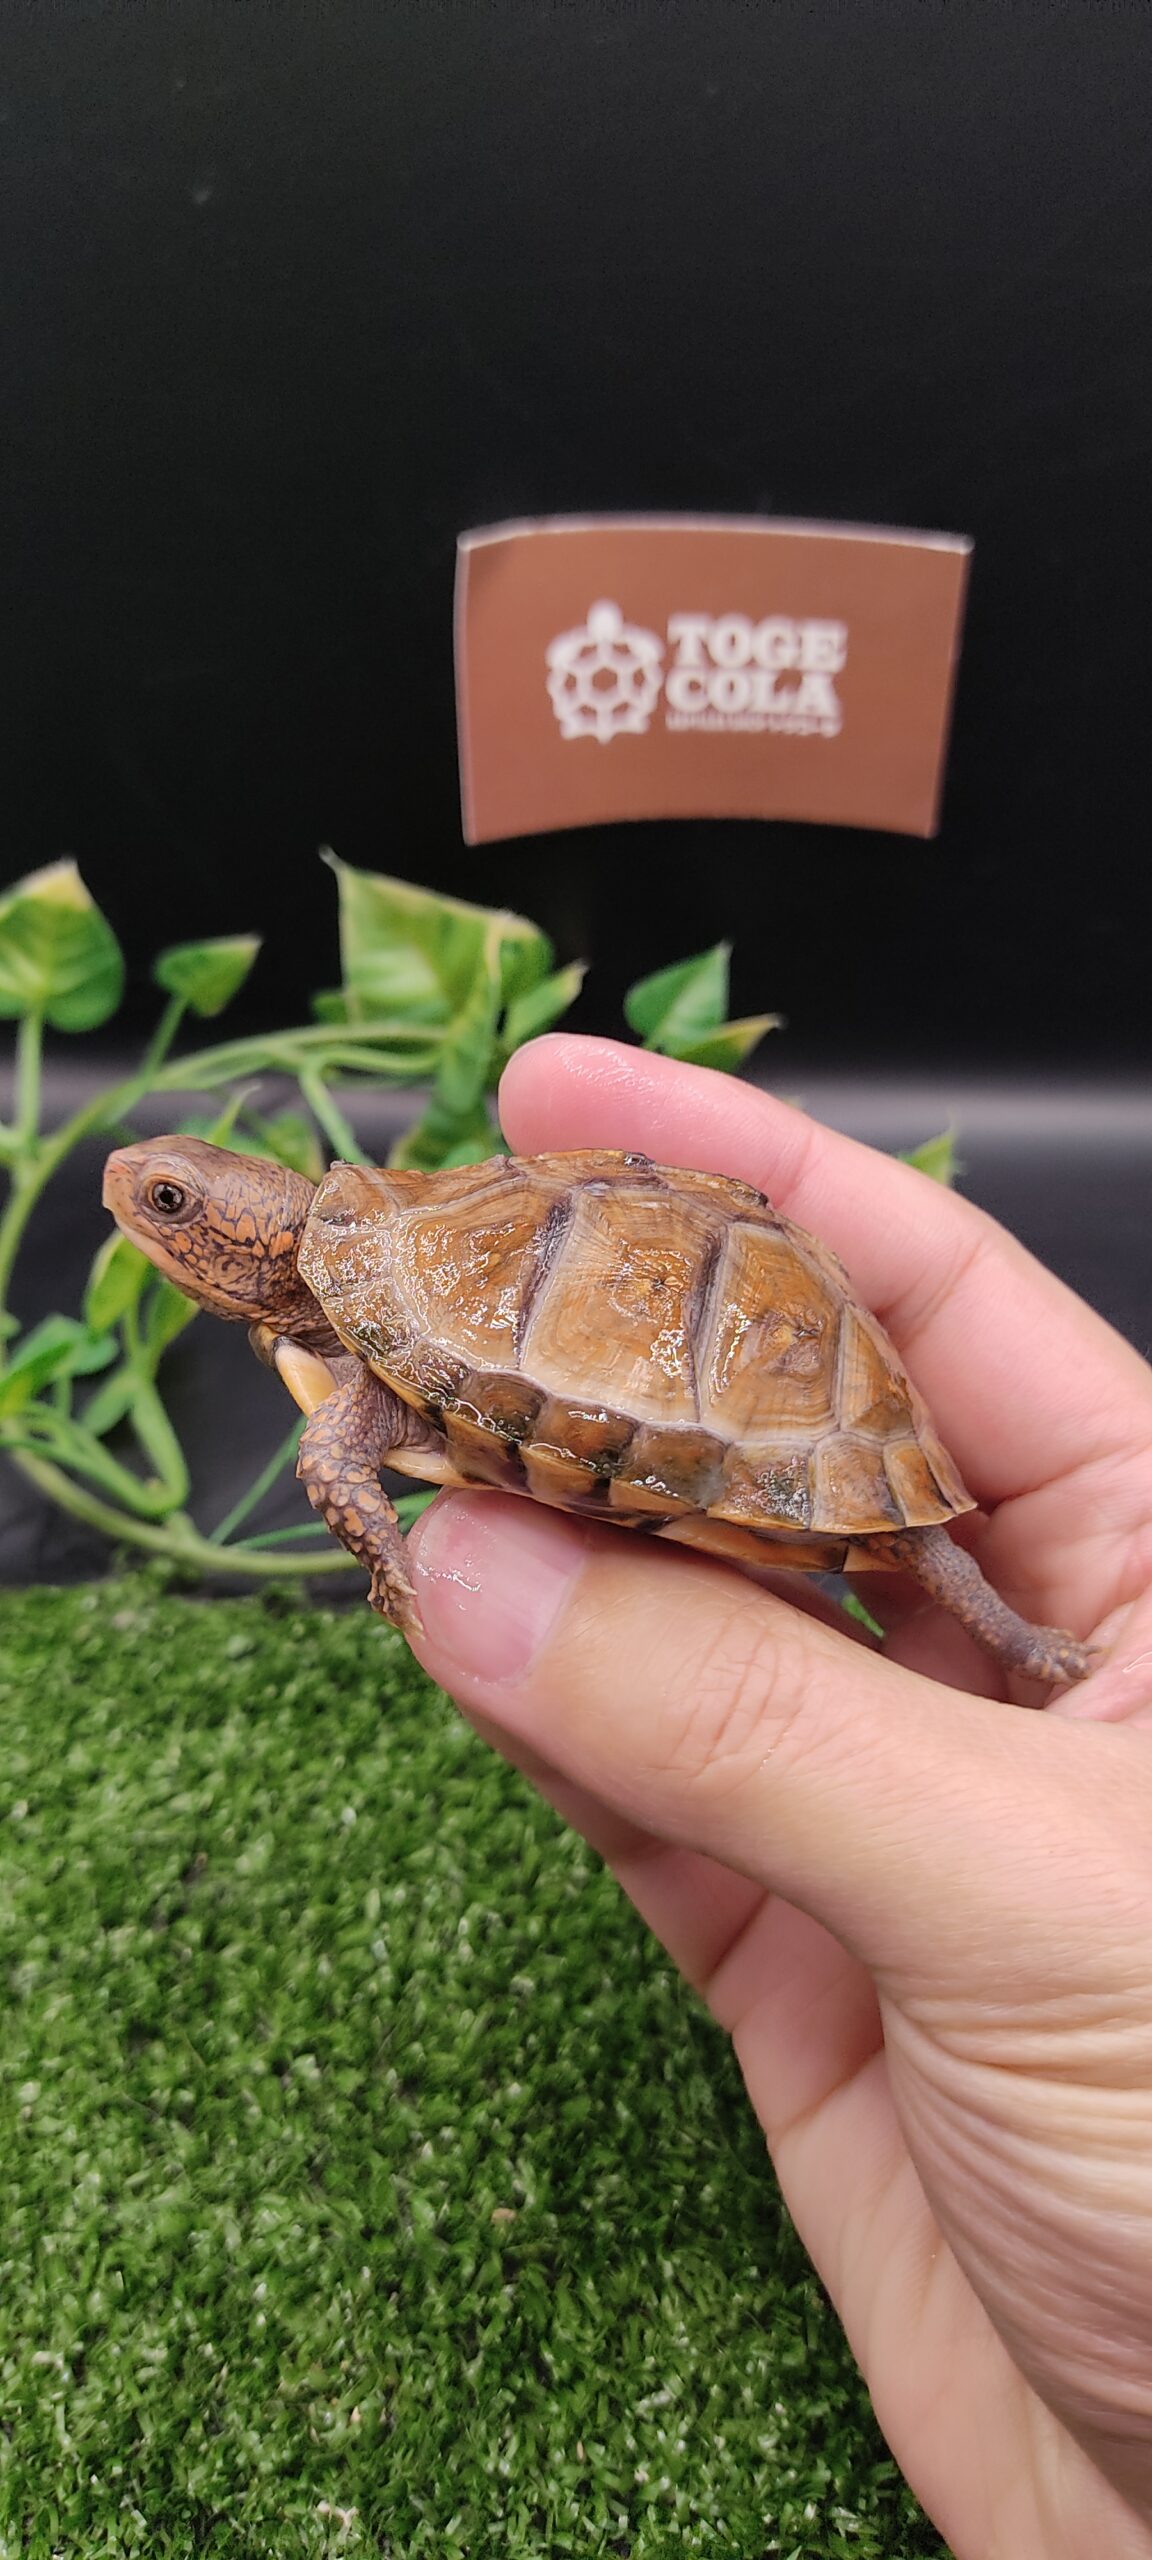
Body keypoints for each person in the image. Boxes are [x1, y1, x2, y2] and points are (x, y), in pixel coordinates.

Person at [405, 1033, 1152, 2560]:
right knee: (906, 1544)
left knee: (914, 1542)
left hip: (749, 1384)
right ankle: (1012, 1633)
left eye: (174, 1207)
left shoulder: (395, 1312)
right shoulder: (402, 1276)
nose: (147, 1211)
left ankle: (1016, 1634)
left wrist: (1020, 1645)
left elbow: (366, 1442)